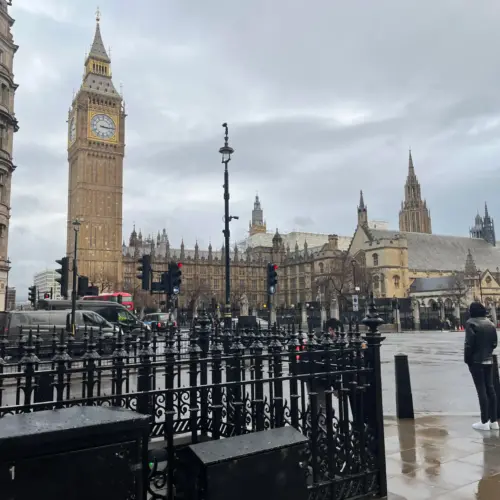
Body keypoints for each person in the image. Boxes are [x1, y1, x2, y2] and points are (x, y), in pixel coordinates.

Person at [464, 302, 499, 431]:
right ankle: (494, 421)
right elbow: (494, 343)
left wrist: (468, 359)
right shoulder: (490, 323)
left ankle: (484, 421)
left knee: (481, 389)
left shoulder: (471, 323)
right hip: (489, 359)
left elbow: (469, 344)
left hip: (476, 361)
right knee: (490, 389)